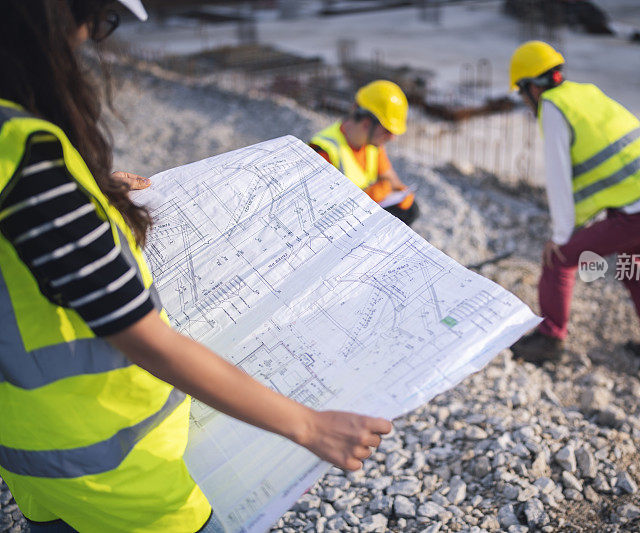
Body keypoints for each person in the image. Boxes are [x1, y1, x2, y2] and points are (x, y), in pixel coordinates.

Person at [0, 2, 392, 532]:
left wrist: (85, 194)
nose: (92, 38)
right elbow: (141, 336)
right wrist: (308, 425)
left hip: (31, 456)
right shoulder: (27, 157)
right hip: (117, 472)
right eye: (98, 17)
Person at [507, 41, 640, 374]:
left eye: (521, 94)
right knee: (635, 267)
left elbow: (559, 181)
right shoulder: (584, 93)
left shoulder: (554, 108)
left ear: (531, 87)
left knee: (559, 260)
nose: (525, 103)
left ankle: (550, 338)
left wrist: (561, 238)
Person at [310, 80, 420, 226]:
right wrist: (369, 197)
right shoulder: (324, 152)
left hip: (362, 212)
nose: (392, 138)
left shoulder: (373, 145)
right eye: (387, 130)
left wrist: (403, 192)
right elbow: (320, 213)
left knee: (411, 210)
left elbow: (392, 181)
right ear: (367, 123)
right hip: (339, 225)